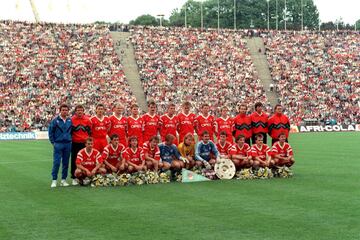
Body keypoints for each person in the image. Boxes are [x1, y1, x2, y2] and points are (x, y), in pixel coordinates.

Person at [48, 104, 72, 188]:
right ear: (60, 111)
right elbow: (50, 131)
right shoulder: (55, 120)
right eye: (63, 110)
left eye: (66, 110)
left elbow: (72, 132)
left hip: (68, 144)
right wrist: (53, 142)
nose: (65, 111)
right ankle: (54, 180)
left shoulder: (70, 120)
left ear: (68, 111)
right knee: (57, 162)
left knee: (65, 163)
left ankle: (63, 180)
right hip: (58, 144)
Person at [70, 104, 92, 185]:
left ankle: (84, 176)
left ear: (83, 111)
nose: (79, 112)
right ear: (75, 111)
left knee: (85, 160)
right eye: (78, 110)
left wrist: (88, 142)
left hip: (84, 144)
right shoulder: (72, 120)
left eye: (81, 110)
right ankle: (74, 177)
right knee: (74, 160)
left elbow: (90, 132)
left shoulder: (88, 120)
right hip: (75, 143)